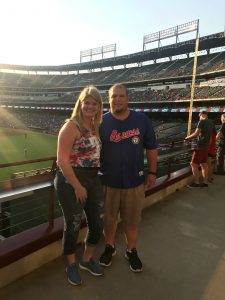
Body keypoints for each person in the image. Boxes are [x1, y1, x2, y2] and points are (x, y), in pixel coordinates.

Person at [99, 83, 158, 272]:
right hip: (108, 181)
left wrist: (152, 172)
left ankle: (131, 250)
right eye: (113, 96)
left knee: (132, 221)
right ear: (108, 100)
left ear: (127, 98)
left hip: (134, 181)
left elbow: (151, 148)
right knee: (109, 220)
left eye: (120, 96)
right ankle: (109, 246)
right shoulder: (101, 121)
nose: (116, 99)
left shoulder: (142, 120)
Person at [54, 86, 104, 286]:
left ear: (99, 106)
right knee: (73, 224)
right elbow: (62, 161)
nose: (90, 106)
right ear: (81, 103)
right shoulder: (71, 126)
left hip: (93, 179)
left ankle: (86, 259)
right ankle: (71, 264)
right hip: (71, 180)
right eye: (87, 102)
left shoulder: (95, 125)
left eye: (95, 103)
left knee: (97, 222)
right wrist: (77, 186)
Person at [185, 111, 213, 187]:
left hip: (200, 145)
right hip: (206, 145)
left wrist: (187, 137)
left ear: (202, 115)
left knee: (193, 164)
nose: (199, 117)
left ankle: (196, 183)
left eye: (199, 116)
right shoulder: (210, 122)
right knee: (204, 164)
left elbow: (196, 134)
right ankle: (205, 182)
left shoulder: (201, 121)